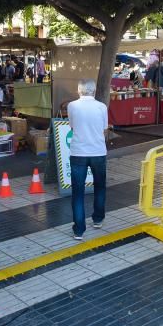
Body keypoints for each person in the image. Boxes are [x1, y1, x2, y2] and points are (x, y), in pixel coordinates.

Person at [67, 80, 108, 241]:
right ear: (94, 90)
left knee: (77, 192)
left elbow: (72, 127)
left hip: (78, 152)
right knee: (100, 187)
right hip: (98, 151)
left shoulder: (72, 106)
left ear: (79, 90)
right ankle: (98, 219)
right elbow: (104, 129)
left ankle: (79, 229)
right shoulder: (102, 107)